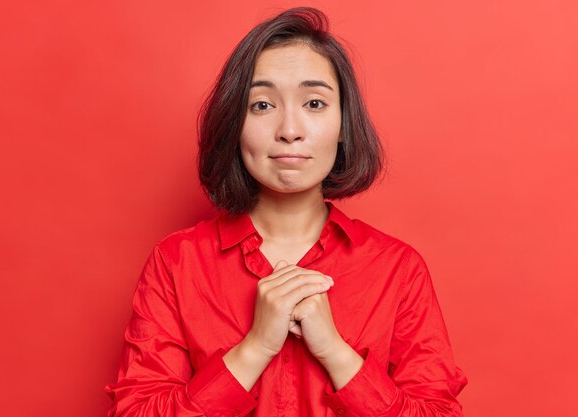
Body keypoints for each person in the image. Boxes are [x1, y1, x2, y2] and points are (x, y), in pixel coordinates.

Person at [105, 7, 467, 417]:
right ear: (234, 124)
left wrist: (334, 351)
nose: (289, 129)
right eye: (262, 105)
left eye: (314, 103)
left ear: (344, 125)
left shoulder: (397, 270)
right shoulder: (176, 264)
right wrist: (255, 347)